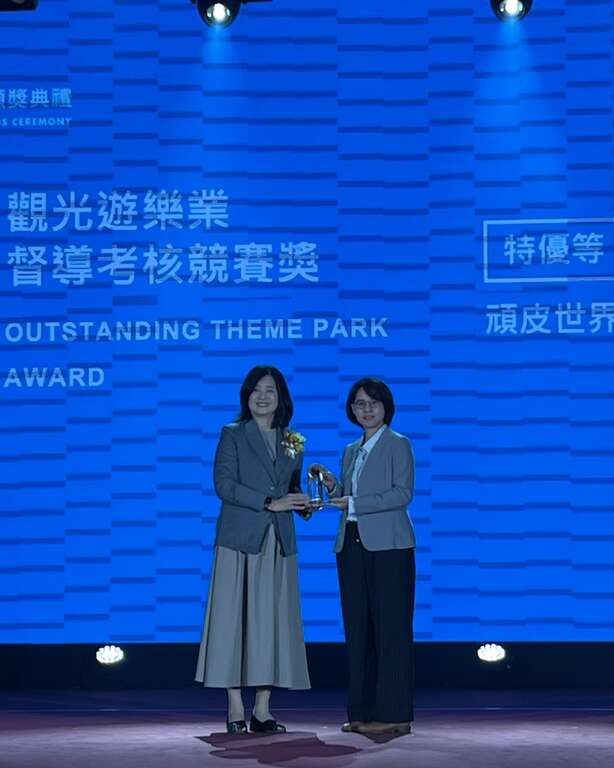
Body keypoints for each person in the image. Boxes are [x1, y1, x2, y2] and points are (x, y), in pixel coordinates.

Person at [195, 366, 311, 734]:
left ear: (281, 397)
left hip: (278, 541)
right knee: (234, 623)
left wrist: (307, 501)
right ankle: (234, 706)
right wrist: (269, 502)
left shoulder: (293, 439)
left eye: (270, 390)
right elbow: (224, 485)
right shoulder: (232, 433)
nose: (262, 396)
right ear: (246, 395)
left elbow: (291, 490)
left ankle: (262, 710)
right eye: (256, 390)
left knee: (271, 625)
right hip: (239, 540)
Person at [310, 377, 416, 736]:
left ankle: (395, 713)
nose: (366, 409)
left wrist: (353, 502)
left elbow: (402, 494)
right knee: (359, 631)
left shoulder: (398, 443)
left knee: (391, 631)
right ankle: (362, 711)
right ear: (351, 410)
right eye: (359, 403)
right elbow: (349, 496)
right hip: (351, 543)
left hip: (390, 546)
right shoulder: (351, 450)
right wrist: (332, 486)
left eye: (373, 403)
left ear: (386, 407)